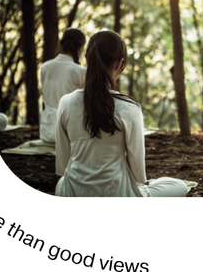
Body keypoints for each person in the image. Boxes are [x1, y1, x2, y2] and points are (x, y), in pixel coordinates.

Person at [54, 30, 189, 197]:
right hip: (117, 195)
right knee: (179, 185)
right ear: (119, 63)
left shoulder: (65, 102)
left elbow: (62, 165)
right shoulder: (129, 107)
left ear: (88, 59)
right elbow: (138, 174)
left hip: (74, 194)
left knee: (62, 182)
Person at [40, 28, 88, 144]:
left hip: (46, 132)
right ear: (80, 47)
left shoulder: (45, 67)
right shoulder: (81, 71)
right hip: (70, 134)